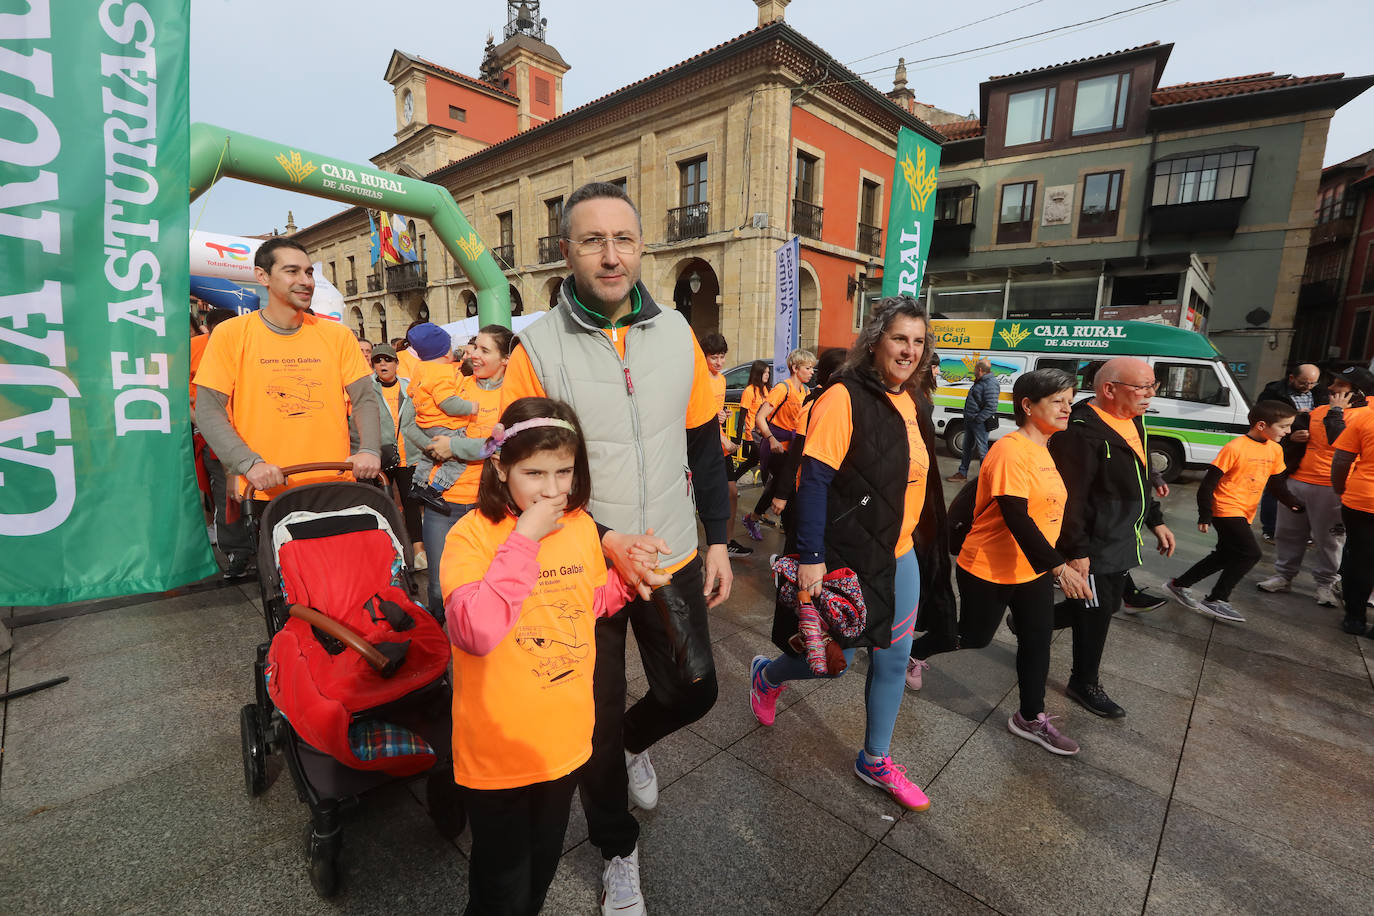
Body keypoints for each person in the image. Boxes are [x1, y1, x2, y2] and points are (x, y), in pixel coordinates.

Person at [498, 181, 732, 916]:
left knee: (695, 688)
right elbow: (521, 475)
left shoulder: (676, 334)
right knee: (588, 723)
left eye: (623, 239)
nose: (610, 254)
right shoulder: (537, 347)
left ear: (642, 248)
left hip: (669, 551)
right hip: (579, 561)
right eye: (592, 240)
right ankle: (617, 849)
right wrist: (602, 537)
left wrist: (719, 539)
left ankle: (638, 740)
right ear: (566, 251)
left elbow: (704, 443)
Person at [440, 397, 650, 916]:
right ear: (500, 467)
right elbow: (476, 630)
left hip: (565, 743)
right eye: (534, 473)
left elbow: (586, 604)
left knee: (540, 869)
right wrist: (525, 540)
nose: (553, 489)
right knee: (501, 887)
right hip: (498, 752)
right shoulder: (469, 536)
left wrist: (629, 580)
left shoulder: (579, 527)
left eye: (565, 472)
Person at [749, 297, 953, 810]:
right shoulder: (843, 396)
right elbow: (812, 480)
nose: (909, 350)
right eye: (899, 338)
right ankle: (768, 676)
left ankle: (875, 759)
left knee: (895, 658)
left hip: (900, 552)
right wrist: (810, 556)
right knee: (834, 661)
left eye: (918, 341)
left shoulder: (913, 401)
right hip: (849, 554)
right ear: (875, 341)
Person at [911, 369, 1093, 753]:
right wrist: (1059, 566)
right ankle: (915, 652)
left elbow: (1055, 512)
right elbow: (1016, 515)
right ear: (1027, 405)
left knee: (1037, 640)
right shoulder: (1010, 450)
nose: (1068, 407)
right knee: (973, 636)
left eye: (1069, 399)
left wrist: (1075, 554)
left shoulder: (1046, 449)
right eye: (1057, 400)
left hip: (1032, 569)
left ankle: (1030, 716)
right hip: (989, 567)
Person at [194, 237, 382, 511]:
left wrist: (369, 450)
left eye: (309, 272)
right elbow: (208, 410)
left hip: (335, 481)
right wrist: (247, 464)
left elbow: (364, 398)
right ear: (263, 276)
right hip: (267, 490)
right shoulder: (231, 334)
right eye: (292, 271)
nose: (306, 280)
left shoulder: (337, 335)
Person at [1048, 356, 1176, 718]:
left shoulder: (1134, 418)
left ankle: (1034, 621)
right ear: (1109, 389)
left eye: (1154, 386)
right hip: (1093, 540)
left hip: (1123, 534)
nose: (1151, 394)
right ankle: (1084, 681)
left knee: (1104, 604)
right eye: (1143, 387)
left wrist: (1155, 520)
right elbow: (1069, 497)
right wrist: (1076, 550)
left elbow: (1140, 468)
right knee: (1097, 611)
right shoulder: (1079, 431)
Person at [1165, 402, 1299, 623]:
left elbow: (1277, 485)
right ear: (1262, 425)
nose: (1288, 432)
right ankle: (1217, 599)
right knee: (1250, 553)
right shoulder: (1235, 447)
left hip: (1245, 510)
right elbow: (1208, 484)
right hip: (1225, 507)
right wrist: (1205, 514)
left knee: (1225, 555)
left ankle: (1178, 585)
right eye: (1284, 426)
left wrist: (1294, 503)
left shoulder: (1275, 449)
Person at [1258, 366, 1374, 605]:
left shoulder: (1366, 416)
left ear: (1358, 392)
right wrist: (1294, 435)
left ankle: (1326, 585)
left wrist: (1336, 412)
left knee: (1329, 541)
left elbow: (1339, 440)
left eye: (1339, 385)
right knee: (1288, 533)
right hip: (1298, 482)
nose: (1331, 388)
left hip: (1333, 487)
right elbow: (1289, 429)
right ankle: (1283, 575)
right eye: (1333, 382)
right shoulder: (1318, 410)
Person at [422, 325, 515, 616]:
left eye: (484, 350)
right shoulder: (457, 386)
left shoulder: (512, 397)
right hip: (443, 504)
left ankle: (482, 654)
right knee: (438, 589)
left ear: (505, 359)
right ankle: (435, 656)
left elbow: (502, 447)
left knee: (488, 584)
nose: (473, 355)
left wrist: (455, 447)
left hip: (489, 505)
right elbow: (424, 426)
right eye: (474, 347)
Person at [191, 307, 258, 578]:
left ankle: (265, 547)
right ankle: (237, 553)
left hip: (255, 434)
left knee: (258, 494)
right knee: (228, 498)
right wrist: (203, 421)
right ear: (209, 330)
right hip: (217, 440)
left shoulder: (251, 347)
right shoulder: (193, 348)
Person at [741, 348, 816, 538]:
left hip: (792, 446)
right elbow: (760, 418)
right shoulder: (783, 388)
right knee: (786, 486)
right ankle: (788, 528)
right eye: (808, 368)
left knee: (779, 486)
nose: (811, 371)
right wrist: (771, 439)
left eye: (812, 368)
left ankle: (755, 517)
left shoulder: (805, 391)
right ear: (795, 368)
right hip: (776, 446)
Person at [366, 343, 428, 568]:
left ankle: (418, 550)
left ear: (397, 364)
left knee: (412, 503)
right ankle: (389, 551)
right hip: (380, 457)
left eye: (387, 360)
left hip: (408, 455)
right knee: (383, 504)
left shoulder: (409, 387)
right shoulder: (367, 389)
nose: (383, 364)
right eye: (378, 360)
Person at [404, 322, 478, 512]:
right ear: (446, 352)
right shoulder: (442, 372)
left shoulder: (421, 369)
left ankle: (417, 485)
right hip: (447, 425)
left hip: (426, 423)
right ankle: (435, 489)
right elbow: (448, 403)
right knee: (458, 459)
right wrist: (471, 407)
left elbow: (411, 392)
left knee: (428, 456)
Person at [1256, 364, 1326, 540]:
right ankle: (1270, 530)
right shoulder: (1273, 393)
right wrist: (1291, 434)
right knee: (1275, 489)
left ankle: (1304, 532)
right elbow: (1265, 421)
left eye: (1312, 383)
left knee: (1304, 493)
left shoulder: (1321, 393)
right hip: (1284, 448)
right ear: (1292, 378)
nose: (1308, 387)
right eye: (1304, 382)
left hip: (1311, 451)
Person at [700, 333, 752, 559]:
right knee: (704, 498)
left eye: (722, 357)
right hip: (704, 445)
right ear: (704, 358)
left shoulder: (721, 380)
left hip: (720, 445)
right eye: (714, 358)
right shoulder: (698, 379)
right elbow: (699, 414)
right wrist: (720, 432)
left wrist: (722, 416)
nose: (719, 363)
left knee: (732, 492)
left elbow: (715, 412)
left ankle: (727, 542)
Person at [1330, 389, 1374, 636]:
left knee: (1359, 559)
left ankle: (1354, 619)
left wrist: (1340, 489)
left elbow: (1341, 460)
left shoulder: (1365, 417)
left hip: (1363, 498)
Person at [947, 357, 999, 482]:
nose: (973, 371)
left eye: (975, 369)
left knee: (982, 451)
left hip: (978, 423)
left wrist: (977, 419)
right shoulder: (980, 381)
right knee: (966, 448)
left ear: (980, 370)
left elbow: (991, 406)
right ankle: (962, 473)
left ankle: (985, 479)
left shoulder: (990, 383)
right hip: (971, 421)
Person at [731, 360, 772, 507]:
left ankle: (731, 481)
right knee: (765, 462)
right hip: (751, 435)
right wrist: (737, 439)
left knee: (753, 461)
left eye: (768, 372)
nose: (767, 375)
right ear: (757, 373)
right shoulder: (749, 391)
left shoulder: (766, 390)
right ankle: (768, 494)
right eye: (764, 372)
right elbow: (742, 415)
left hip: (763, 433)